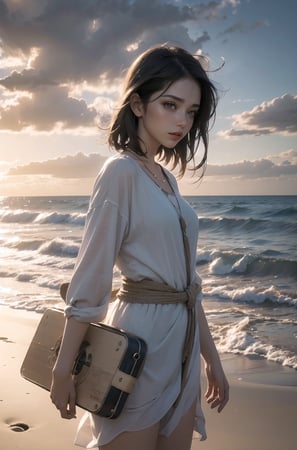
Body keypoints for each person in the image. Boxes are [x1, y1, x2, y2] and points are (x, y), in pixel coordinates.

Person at [50, 44, 229, 450]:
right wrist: (63, 369)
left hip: (181, 350)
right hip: (139, 347)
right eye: (170, 104)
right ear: (136, 103)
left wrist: (210, 358)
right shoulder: (120, 172)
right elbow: (92, 274)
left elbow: (189, 285)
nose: (182, 120)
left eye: (191, 111)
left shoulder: (168, 180)